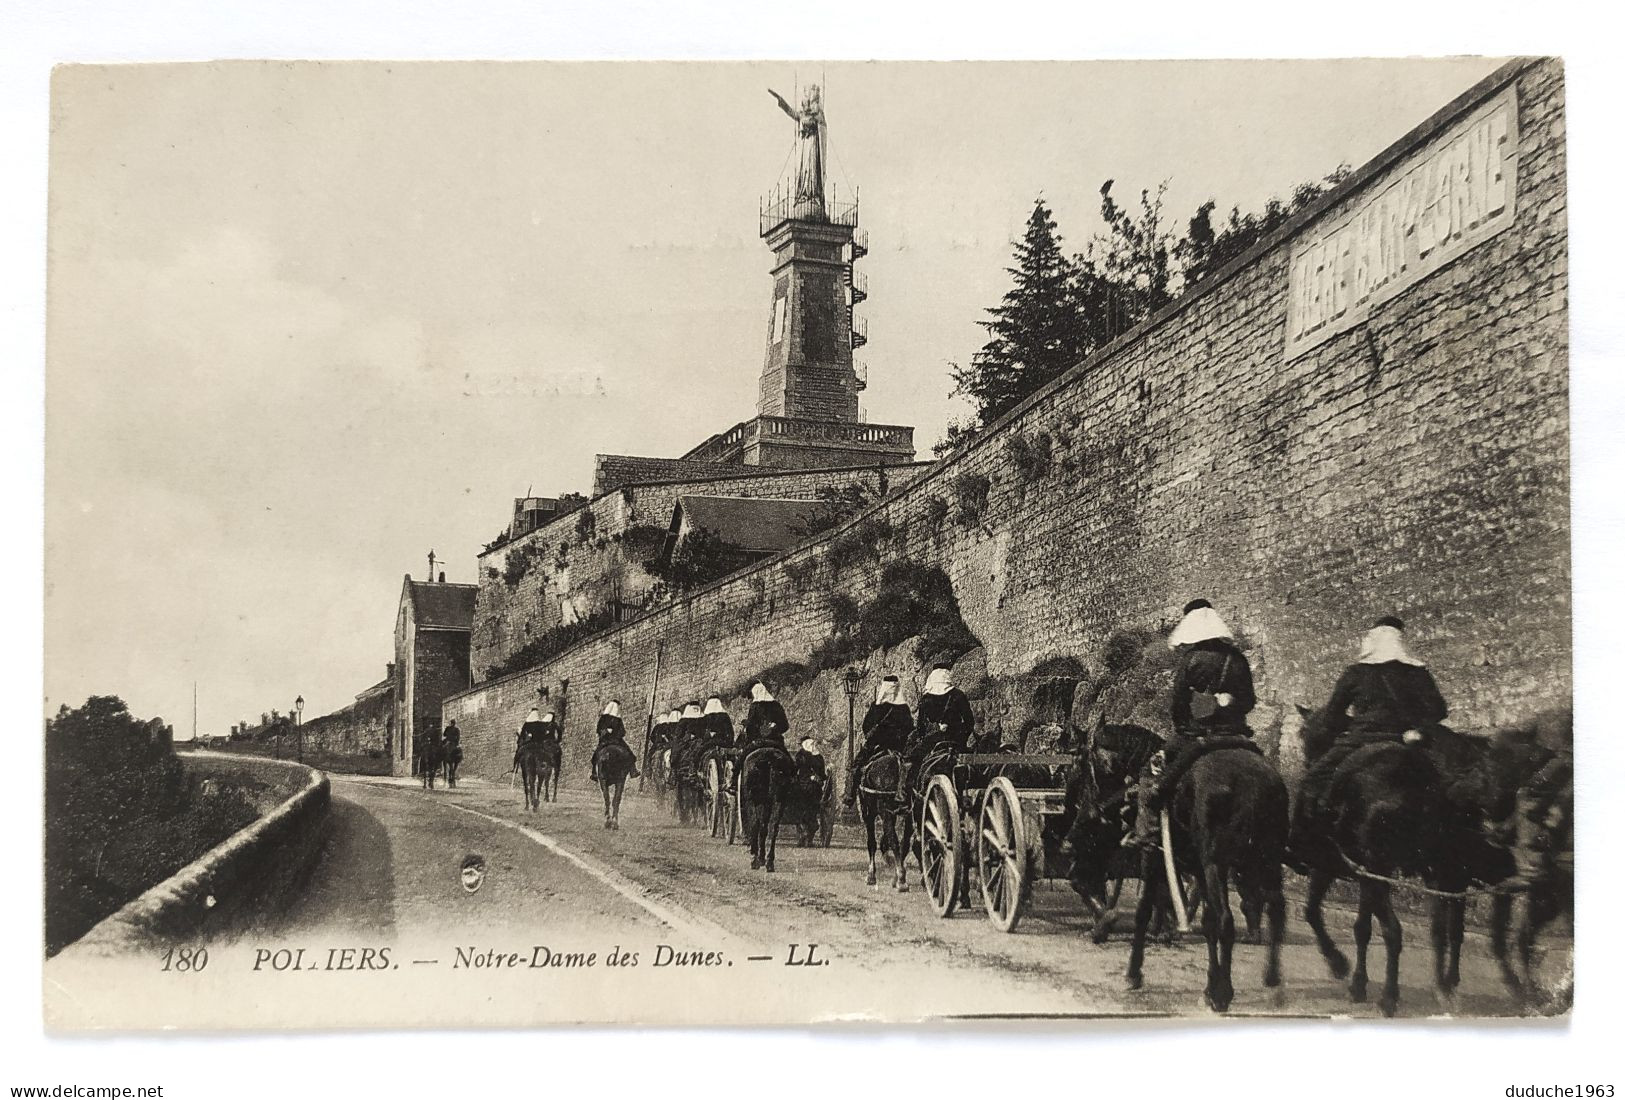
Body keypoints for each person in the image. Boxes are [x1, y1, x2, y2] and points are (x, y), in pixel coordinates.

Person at [1288, 615, 1448, 868]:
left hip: (1360, 742)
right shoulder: (1418, 672)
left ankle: (1300, 846)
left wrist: (1353, 726)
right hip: (1405, 742)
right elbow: (1439, 710)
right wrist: (1418, 729)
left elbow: (1331, 717)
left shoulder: (1356, 672)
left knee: (1311, 781)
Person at [1129, 598, 1257, 849]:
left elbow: (1178, 706)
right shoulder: (1238, 659)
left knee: (1150, 774)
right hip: (1236, 733)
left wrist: (1187, 728)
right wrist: (1228, 704)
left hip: (1198, 734)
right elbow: (1250, 701)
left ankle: (1149, 831)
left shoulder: (1192, 660)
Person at [899, 665, 975, 797]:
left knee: (911, 760)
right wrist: (961, 736)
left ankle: (903, 795)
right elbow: (969, 722)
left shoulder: (926, 698)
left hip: (933, 742)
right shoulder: (959, 695)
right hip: (957, 741)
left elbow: (920, 727)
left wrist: (924, 737)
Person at [843, 676, 913, 807]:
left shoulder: (877, 706)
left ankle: (850, 795)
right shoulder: (903, 707)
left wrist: (877, 734)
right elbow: (909, 727)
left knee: (856, 766)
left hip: (877, 745)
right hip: (899, 746)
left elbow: (866, 726)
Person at [591, 700, 639, 782]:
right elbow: (599, 729)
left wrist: (614, 732)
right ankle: (594, 772)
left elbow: (622, 732)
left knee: (629, 753)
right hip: (608, 740)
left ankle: (633, 770)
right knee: (597, 754)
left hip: (613, 740)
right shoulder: (605, 718)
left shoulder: (616, 719)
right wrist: (606, 731)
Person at [741, 681, 790, 755]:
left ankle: (736, 767)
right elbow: (785, 726)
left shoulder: (754, 706)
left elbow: (750, 728)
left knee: (742, 759)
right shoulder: (776, 705)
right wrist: (774, 728)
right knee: (789, 761)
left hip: (758, 742)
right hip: (775, 741)